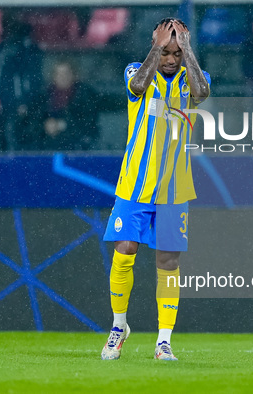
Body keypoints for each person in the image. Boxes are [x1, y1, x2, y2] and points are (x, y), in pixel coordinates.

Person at [100, 18, 210, 361]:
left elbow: (202, 95)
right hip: (135, 184)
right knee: (125, 248)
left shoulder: (192, 76)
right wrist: (156, 49)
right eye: (168, 52)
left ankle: (164, 340)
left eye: (177, 53)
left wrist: (188, 50)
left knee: (167, 260)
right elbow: (136, 86)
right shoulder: (138, 70)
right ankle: (119, 327)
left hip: (174, 188)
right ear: (155, 46)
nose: (172, 59)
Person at [0, 17, 43, 151]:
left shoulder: (27, 52)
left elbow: (28, 80)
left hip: (17, 106)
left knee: (13, 134)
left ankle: (15, 164)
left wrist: (23, 103)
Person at [37, 61, 100, 151]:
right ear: (53, 76)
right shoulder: (44, 95)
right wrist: (45, 125)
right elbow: (35, 119)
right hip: (47, 148)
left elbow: (88, 122)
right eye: (58, 74)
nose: (62, 77)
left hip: (79, 147)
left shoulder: (85, 94)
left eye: (66, 73)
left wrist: (62, 125)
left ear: (74, 75)